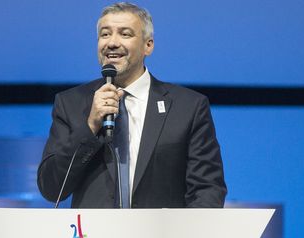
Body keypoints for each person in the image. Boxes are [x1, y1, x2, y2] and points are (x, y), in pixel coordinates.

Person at [37, 2, 227, 208]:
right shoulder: (71, 103)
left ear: (148, 45)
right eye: (105, 34)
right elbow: (51, 188)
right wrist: (90, 127)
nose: (112, 43)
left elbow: (207, 189)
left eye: (125, 34)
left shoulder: (188, 107)